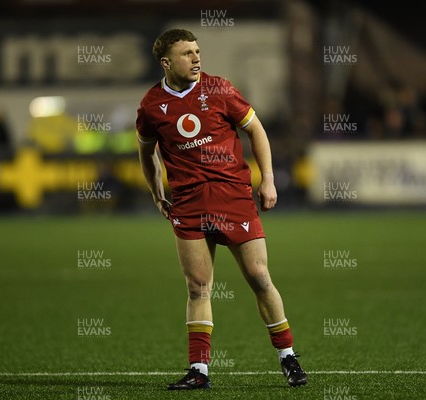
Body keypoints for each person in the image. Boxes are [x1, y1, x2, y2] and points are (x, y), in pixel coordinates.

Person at [136, 29, 307, 390]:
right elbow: (145, 150)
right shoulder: (152, 105)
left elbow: (256, 131)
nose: (196, 58)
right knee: (198, 287)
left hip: (233, 197)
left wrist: (268, 179)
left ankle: (288, 357)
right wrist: (156, 192)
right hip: (188, 203)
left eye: (197, 51)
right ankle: (199, 370)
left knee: (259, 277)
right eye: (187, 53)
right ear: (166, 63)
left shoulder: (220, 89)